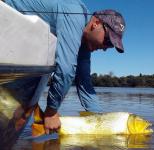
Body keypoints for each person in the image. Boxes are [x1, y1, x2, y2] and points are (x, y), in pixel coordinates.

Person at [3, 0, 125, 134]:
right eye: (107, 40)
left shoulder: (84, 43)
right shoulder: (75, 13)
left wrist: (101, 121)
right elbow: (66, 70)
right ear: (96, 23)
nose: (105, 48)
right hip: (6, 15)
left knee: (18, 113)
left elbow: (84, 83)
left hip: (19, 42)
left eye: (110, 45)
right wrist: (51, 112)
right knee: (16, 111)